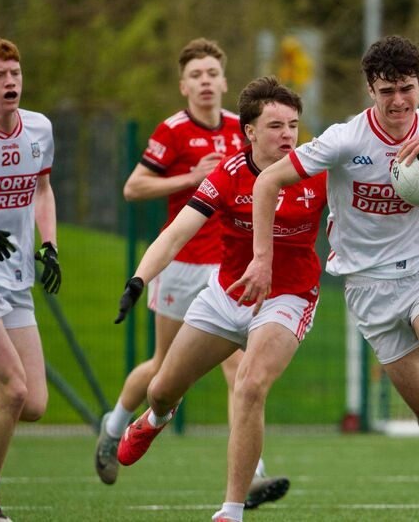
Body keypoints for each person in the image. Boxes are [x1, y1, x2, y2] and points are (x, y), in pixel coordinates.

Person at [236, 35, 419, 522]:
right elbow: (267, 180)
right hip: (368, 288)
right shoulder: (345, 141)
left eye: (407, 88)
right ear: (370, 90)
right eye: (387, 91)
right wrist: (262, 258)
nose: (399, 101)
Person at [113, 76, 326, 522]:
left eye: (293, 125)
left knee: (249, 386)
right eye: (275, 126)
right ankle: (153, 420)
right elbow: (175, 235)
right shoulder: (228, 173)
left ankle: (231, 510)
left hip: (288, 297)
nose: (288, 135)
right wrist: (138, 279)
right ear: (249, 132)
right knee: (161, 389)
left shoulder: (318, 171)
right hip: (227, 295)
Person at [93, 38, 288, 508]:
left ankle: (251, 475)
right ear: (184, 86)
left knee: (238, 368)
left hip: (226, 268)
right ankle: (114, 425)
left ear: (224, 81)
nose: (204, 82)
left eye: (211, 74)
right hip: (179, 264)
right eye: (195, 75)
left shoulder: (245, 130)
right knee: (163, 368)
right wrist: (192, 177)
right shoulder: (173, 131)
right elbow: (133, 187)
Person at [0, 37, 61, 522]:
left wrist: (49, 244)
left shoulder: (40, 128)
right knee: (12, 391)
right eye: (0, 75)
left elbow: (43, 191)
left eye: (16, 74)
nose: (11, 82)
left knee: (34, 404)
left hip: (15, 272)